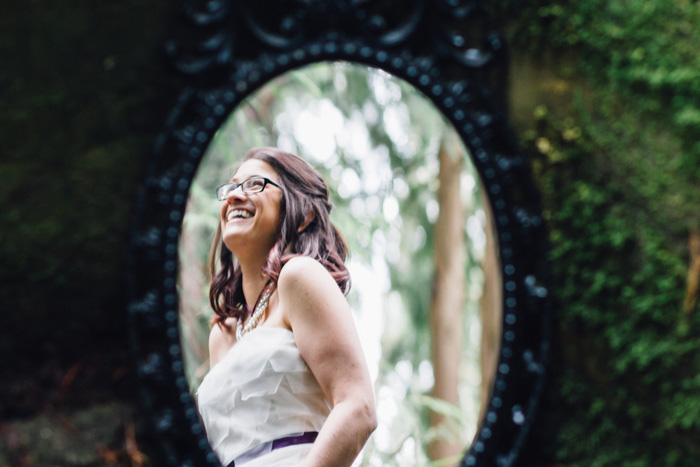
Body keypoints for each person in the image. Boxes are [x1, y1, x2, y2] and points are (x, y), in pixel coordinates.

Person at [197, 147, 377, 467]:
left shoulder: (299, 278)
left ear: (303, 213)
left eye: (255, 185)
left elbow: (358, 407)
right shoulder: (222, 334)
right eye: (231, 187)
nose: (235, 196)